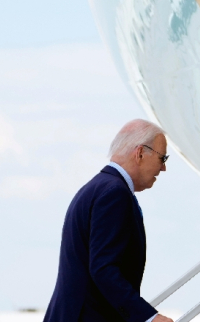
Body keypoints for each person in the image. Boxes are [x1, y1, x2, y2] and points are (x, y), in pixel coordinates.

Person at [43, 119, 174, 322]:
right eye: (162, 158)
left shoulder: (98, 188)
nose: (163, 168)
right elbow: (104, 269)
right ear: (140, 153)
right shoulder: (115, 193)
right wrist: (149, 317)